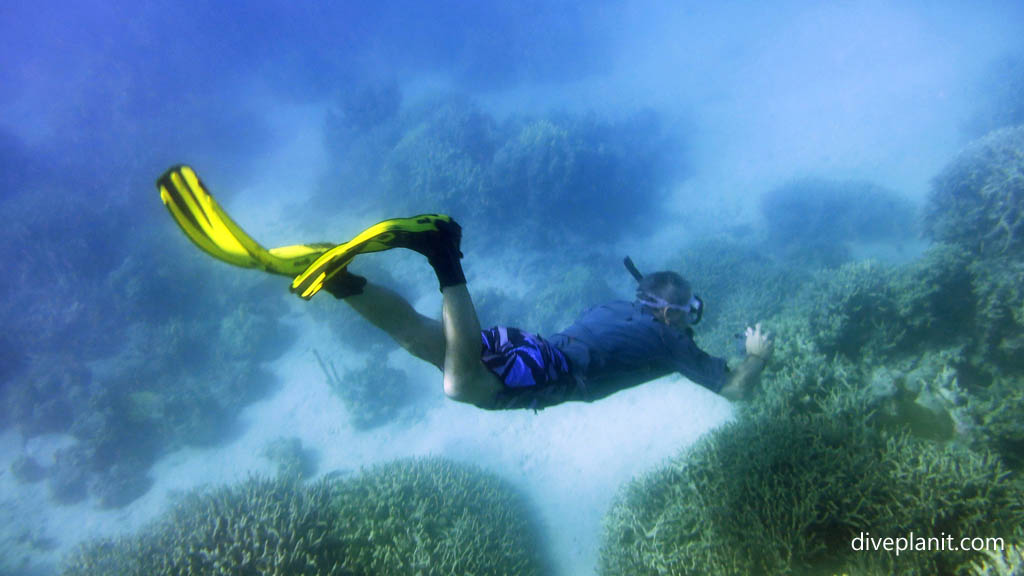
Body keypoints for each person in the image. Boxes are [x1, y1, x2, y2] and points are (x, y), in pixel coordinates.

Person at [157, 165, 773, 412]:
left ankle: (342, 280)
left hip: (531, 347)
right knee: (461, 387)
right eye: (690, 311)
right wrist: (754, 357)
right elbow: (736, 392)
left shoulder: (624, 307)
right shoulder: (669, 342)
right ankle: (444, 256)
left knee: (415, 337)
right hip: (543, 367)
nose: (694, 321)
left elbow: (613, 341)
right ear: (668, 313)